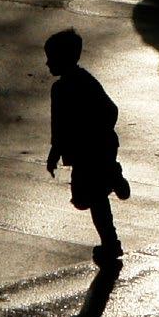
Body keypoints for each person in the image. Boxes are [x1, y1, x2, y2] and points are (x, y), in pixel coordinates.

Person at [44, 29, 130, 268]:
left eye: (51, 58)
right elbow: (110, 110)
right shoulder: (85, 80)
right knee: (91, 198)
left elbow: (59, 126)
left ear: (63, 59)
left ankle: (111, 242)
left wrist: (57, 152)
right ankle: (111, 179)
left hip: (89, 153)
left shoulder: (63, 89)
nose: (48, 63)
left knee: (88, 198)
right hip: (100, 150)